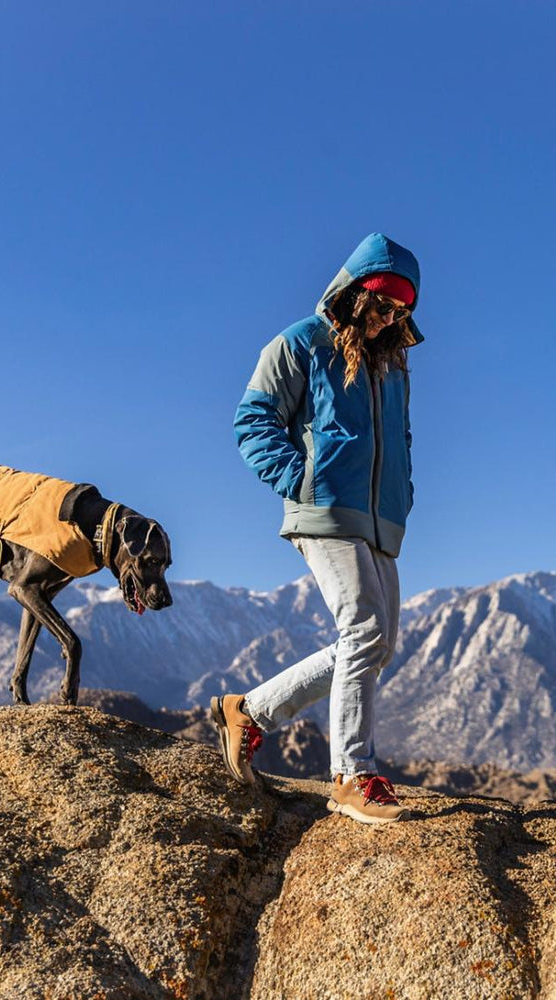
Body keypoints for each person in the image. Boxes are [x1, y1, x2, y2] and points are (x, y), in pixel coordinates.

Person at [212, 233, 424, 825]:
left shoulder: (392, 364)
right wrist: (300, 481)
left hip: (380, 519)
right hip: (325, 509)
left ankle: (248, 712)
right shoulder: (300, 342)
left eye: (401, 310)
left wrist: (403, 493)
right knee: (364, 629)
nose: (389, 319)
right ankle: (352, 775)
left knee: (376, 644)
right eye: (382, 305)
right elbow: (252, 420)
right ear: (354, 294)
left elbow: (401, 438)